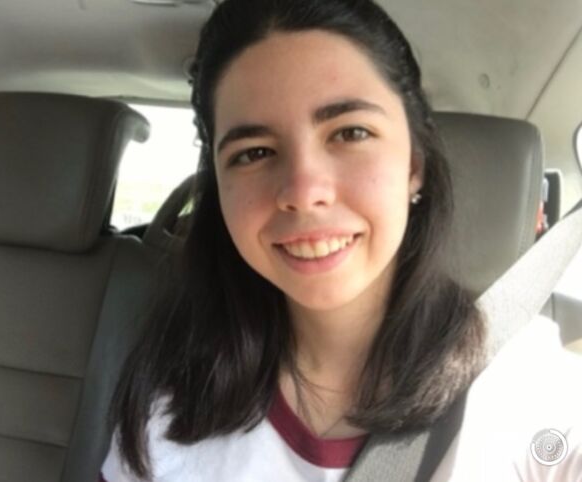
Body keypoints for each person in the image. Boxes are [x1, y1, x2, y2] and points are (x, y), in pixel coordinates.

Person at [101, 0, 582, 481]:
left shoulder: (527, 388)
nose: (303, 192)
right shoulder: (171, 403)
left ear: (414, 164)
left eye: (351, 132)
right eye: (254, 153)